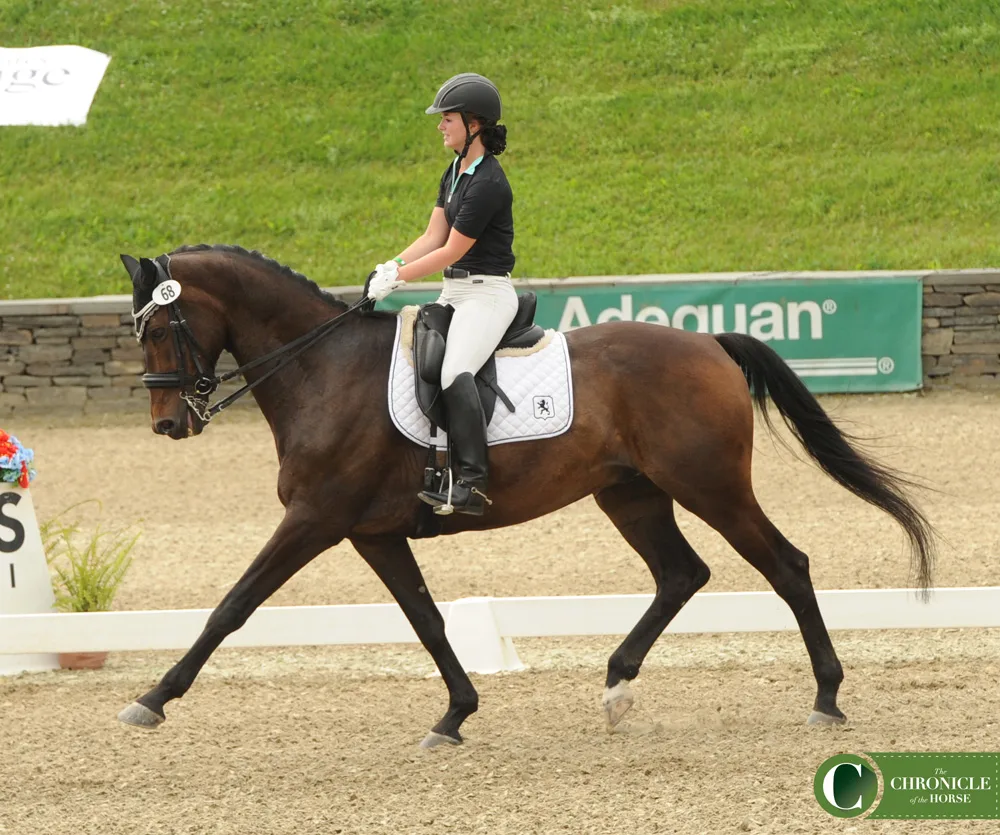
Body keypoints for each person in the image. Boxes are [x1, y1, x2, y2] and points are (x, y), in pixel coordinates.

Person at [367, 72, 517, 516]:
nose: (440, 126)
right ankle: (436, 463)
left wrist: (401, 279)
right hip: (455, 292)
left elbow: (454, 248)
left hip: (487, 295)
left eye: (446, 118)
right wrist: (390, 264)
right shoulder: (454, 170)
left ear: (474, 124)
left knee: (454, 373)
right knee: (417, 360)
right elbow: (434, 234)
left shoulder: (488, 182)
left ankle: (473, 481)